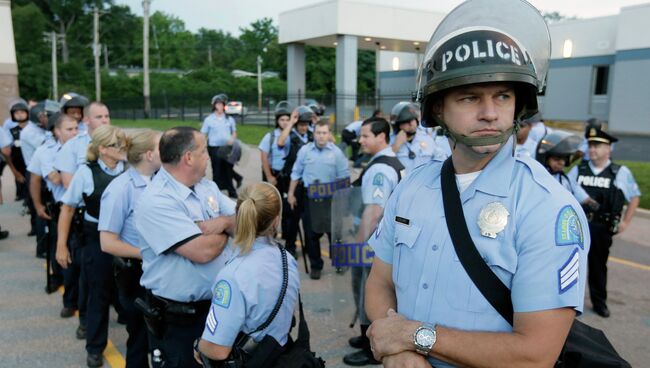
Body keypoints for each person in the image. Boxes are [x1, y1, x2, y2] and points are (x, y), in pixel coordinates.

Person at [365, 1, 590, 367]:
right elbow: (379, 283)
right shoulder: (412, 186)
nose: (489, 112)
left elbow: (535, 355)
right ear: (438, 109)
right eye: (469, 97)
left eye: (502, 95)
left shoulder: (546, 208)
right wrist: (399, 351)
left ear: (518, 105)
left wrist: (412, 338)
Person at [134, 126, 236, 367]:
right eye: (204, 151)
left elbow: (245, 221)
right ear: (188, 157)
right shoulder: (156, 201)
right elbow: (203, 251)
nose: (208, 156)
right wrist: (227, 229)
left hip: (219, 309)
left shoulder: (206, 187)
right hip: (181, 321)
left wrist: (220, 222)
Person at [194, 182, 300, 364]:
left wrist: (199, 346)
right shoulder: (286, 259)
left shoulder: (233, 275)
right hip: (282, 356)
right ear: (276, 220)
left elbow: (217, 349)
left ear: (239, 214)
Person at [56, 125, 127, 367]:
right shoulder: (86, 173)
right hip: (96, 238)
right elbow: (67, 209)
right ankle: (95, 347)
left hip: (126, 237)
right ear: (104, 149)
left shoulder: (128, 169)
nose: (123, 148)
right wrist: (61, 246)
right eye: (118, 144)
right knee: (99, 293)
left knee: (127, 288)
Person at [343, 117, 403, 366]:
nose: (360, 140)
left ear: (381, 137)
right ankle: (366, 336)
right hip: (383, 241)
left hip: (373, 242)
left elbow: (374, 212)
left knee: (369, 291)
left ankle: (372, 348)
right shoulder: (389, 161)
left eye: (366, 136)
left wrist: (357, 245)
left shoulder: (379, 169)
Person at [99, 129, 161, 367]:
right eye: (160, 147)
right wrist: (147, 254)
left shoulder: (161, 181)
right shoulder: (120, 189)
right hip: (137, 274)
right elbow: (108, 242)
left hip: (160, 272)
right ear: (148, 154)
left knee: (160, 340)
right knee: (139, 338)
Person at [568, 126, 641, 318]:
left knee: (598, 267)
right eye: (591, 145)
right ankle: (570, 305)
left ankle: (599, 302)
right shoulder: (579, 169)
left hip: (601, 228)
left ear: (609, 149)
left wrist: (625, 222)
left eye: (598, 146)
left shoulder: (619, 172)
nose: (592, 149)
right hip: (576, 225)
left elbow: (634, 196)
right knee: (571, 266)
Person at [29, 113, 80, 311]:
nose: (75, 133)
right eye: (69, 129)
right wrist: (38, 205)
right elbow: (47, 179)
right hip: (63, 209)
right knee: (65, 256)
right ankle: (70, 302)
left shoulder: (84, 146)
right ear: (56, 131)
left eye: (76, 128)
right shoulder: (46, 152)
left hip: (85, 209)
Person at [288, 120, 350, 280]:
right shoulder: (305, 151)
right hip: (310, 199)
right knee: (311, 235)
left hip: (331, 199)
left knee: (335, 234)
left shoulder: (336, 153)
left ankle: (339, 262)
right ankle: (316, 265)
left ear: (329, 134)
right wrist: (291, 193)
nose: (321, 136)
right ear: (313, 134)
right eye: (318, 133)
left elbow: (344, 178)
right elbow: (296, 173)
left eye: (324, 133)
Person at [278, 106, 314, 255]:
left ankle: (309, 248)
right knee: (293, 218)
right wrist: (291, 123)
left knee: (308, 220)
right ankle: (290, 247)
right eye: (301, 124)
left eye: (306, 124)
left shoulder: (313, 136)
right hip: (292, 182)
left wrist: (316, 122)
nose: (304, 127)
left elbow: (330, 139)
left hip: (308, 183)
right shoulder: (290, 137)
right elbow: (280, 142)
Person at [55, 101, 110, 188]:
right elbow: (68, 184)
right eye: (99, 117)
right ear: (86, 120)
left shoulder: (118, 142)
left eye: (107, 116)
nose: (104, 121)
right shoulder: (72, 146)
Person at [536, 130, 592, 205]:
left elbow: (582, 196)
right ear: (544, 159)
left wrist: (593, 204)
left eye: (564, 159)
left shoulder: (565, 180)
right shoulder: (537, 180)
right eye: (556, 159)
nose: (562, 163)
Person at [201, 94, 238, 198]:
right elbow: (203, 134)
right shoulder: (209, 119)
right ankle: (216, 192)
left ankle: (231, 191)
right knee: (217, 170)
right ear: (214, 106)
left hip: (227, 148)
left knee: (228, 169)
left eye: (222, 104)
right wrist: (202, 146)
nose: (220, 107)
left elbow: (234, 132)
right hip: (215, 148)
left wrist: (232, 139)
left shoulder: (229, 119)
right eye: (218, 104)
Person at [390, 101, 442, 175]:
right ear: (398, 125)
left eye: (413, 120)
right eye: (406, 121)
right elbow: (384, 164)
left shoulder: (427, 139)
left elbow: (440, 160)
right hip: (401, 184)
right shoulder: (390, 141)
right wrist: (396, 146)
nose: (411, 124)